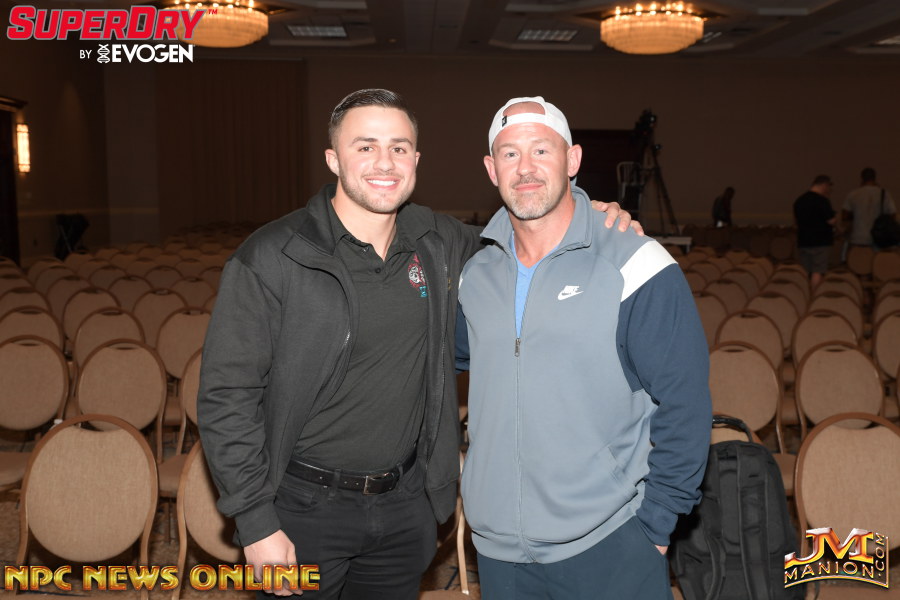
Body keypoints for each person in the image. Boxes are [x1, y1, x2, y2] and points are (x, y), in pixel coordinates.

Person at [197, 88, 637, 599]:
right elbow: (226, 397)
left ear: (416, 160)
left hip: (404, 509)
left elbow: (529, 229)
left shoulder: (439, 241)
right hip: (301, 508)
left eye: (399, 148)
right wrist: (255, 522)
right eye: (366, 146)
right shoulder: (274, 256)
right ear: (333, 159)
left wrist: (590, 211)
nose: (385, 162)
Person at [456, 96, 711, 600]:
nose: (525, 168)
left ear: (572, 160)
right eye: (510, 154)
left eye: (541, 150)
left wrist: (657, 525)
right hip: (499, 550)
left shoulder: (635, 263)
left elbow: (686, 402)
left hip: (612, 541)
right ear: (491, 169)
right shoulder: (474, 274)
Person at [793, 174, 836, 289]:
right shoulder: (822, 201)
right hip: (820, 242)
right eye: (828, 187)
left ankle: (804, 293)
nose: (829, 190)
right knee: (818, 271)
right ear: (824, 185)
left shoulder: (799, 201)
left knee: (805, 271)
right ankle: (814, 295)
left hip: (803, 241)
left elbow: (796, 222)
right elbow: (831, 221)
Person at [842, 167, 896, 247]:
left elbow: (845, 216)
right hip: (878, 238)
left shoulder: (853, 194)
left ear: (862, 178)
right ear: (875, 178)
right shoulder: (884, 194)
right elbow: (892, 213)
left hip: (858, 236)